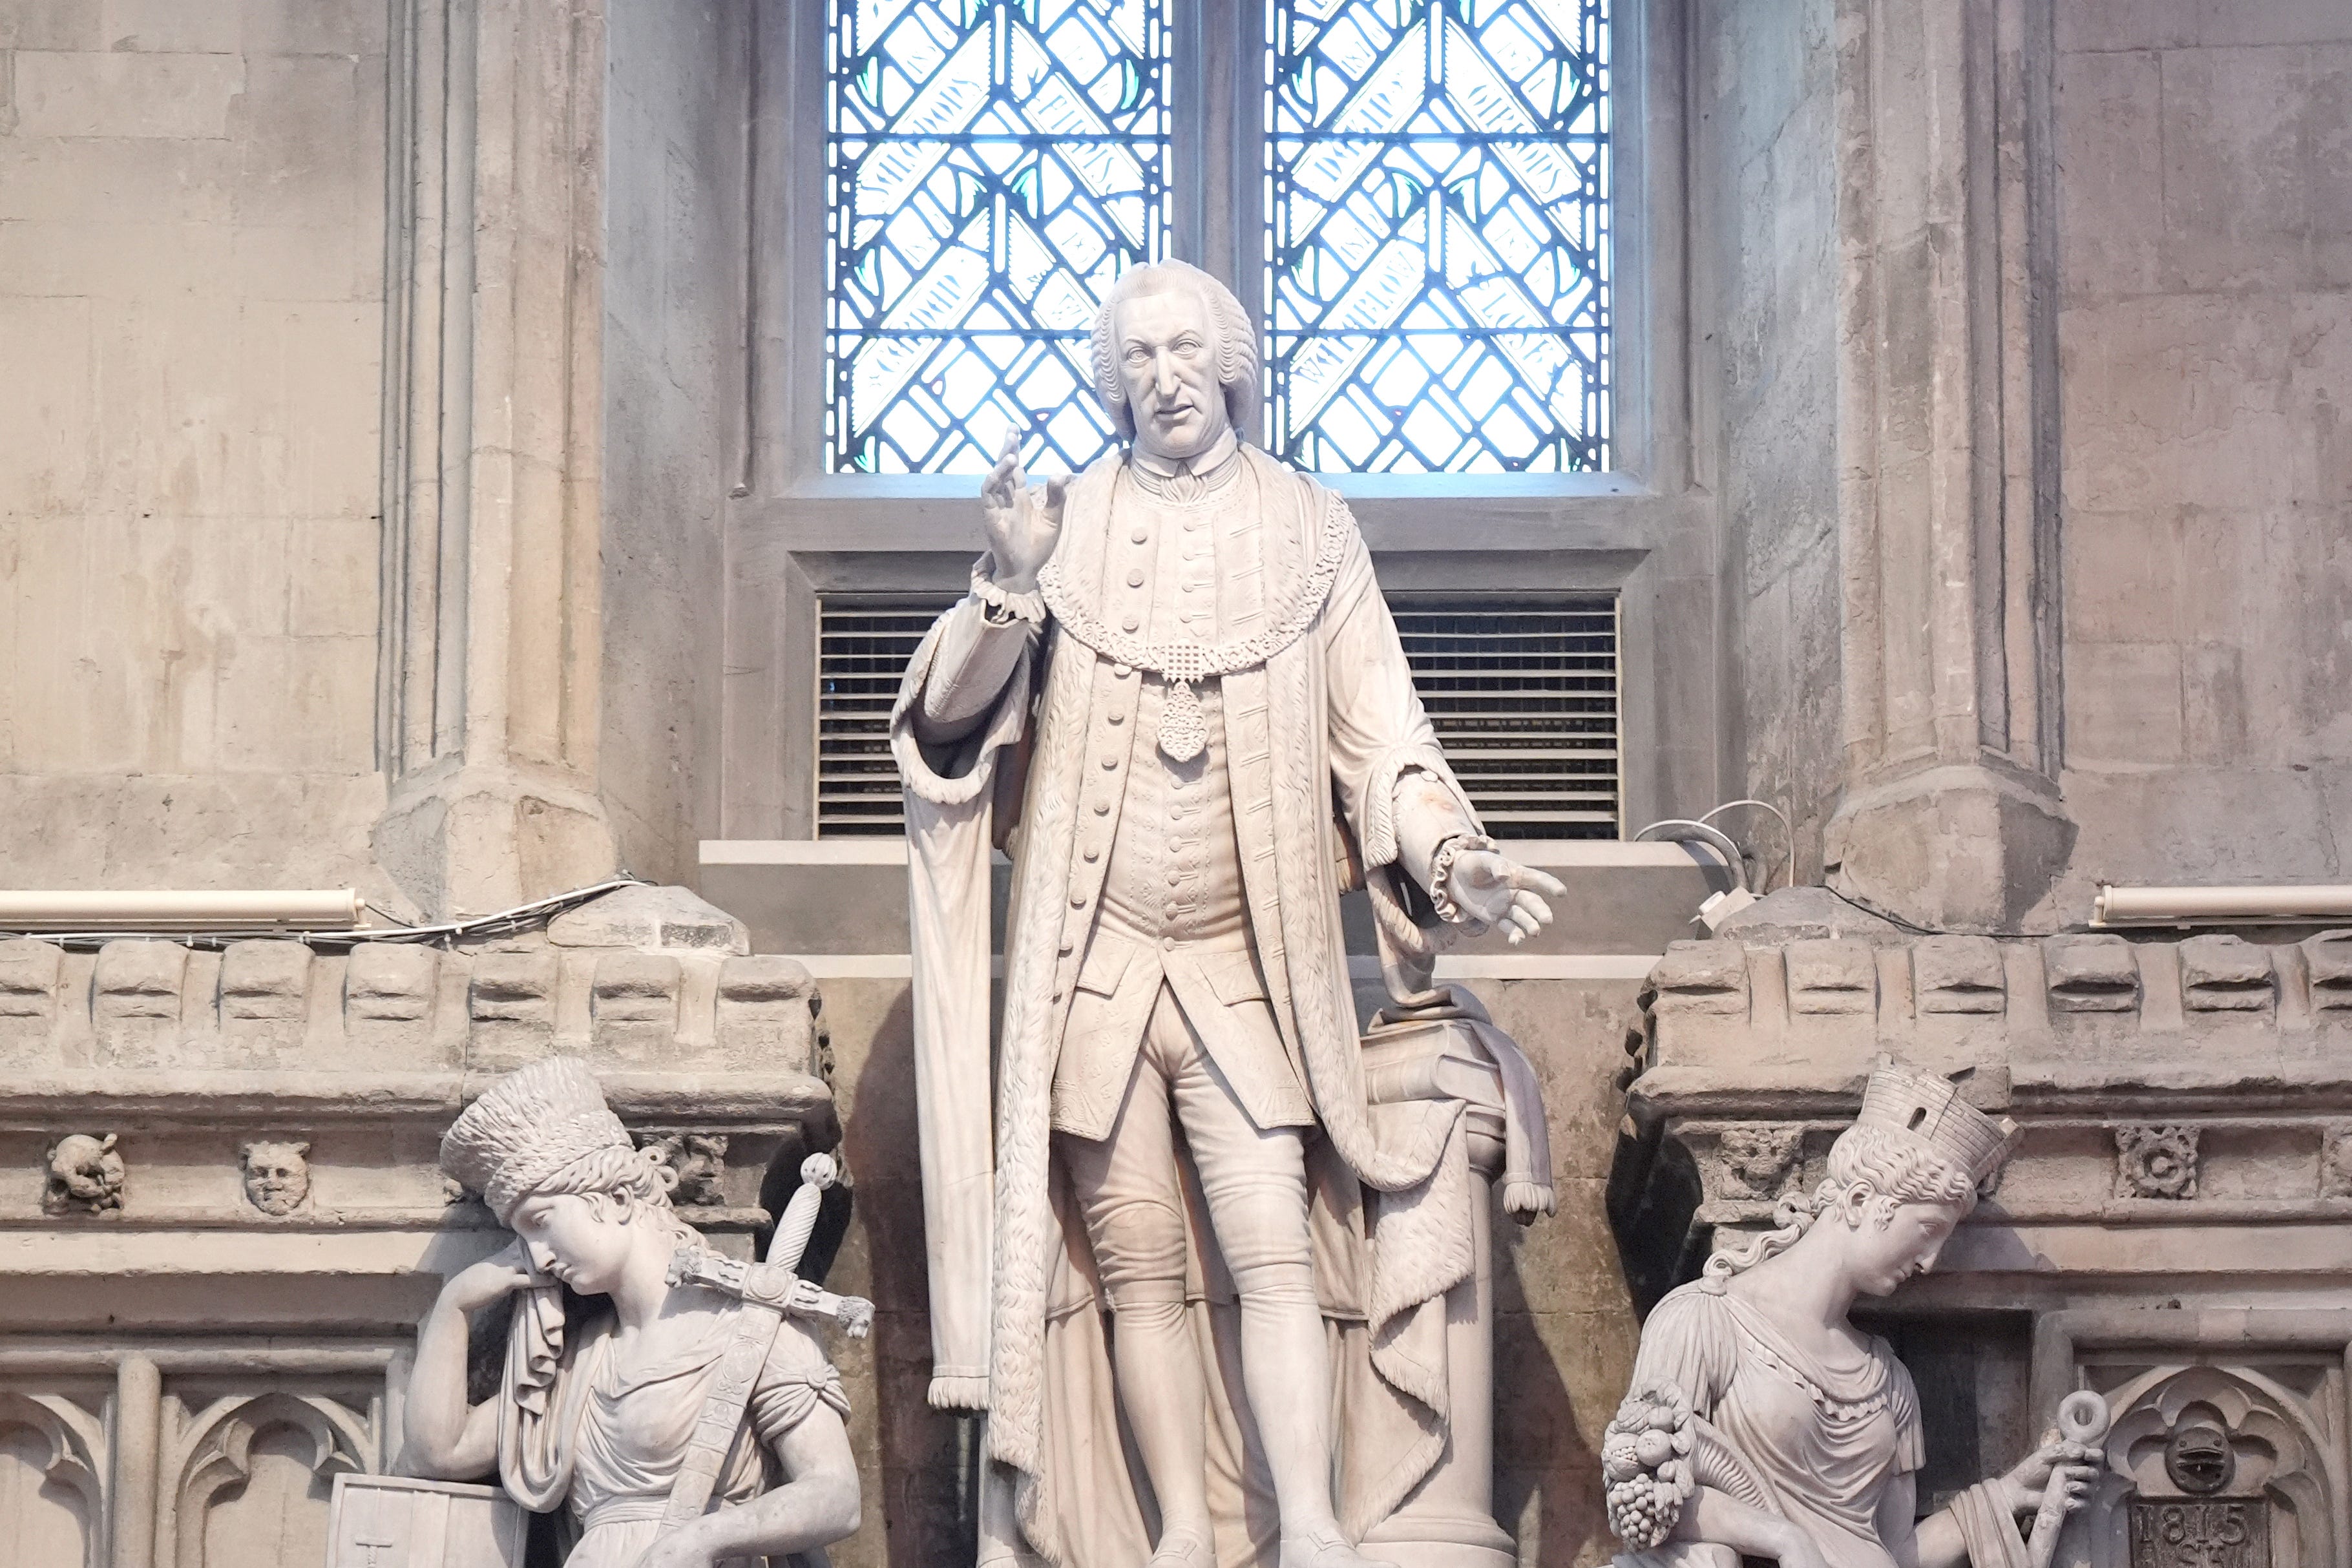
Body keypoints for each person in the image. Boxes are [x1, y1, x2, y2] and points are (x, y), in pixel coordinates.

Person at [894, 258, 1566, 1568]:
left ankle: (1306, 1520)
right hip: (1094, 965)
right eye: (1135, 356)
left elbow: (1381, 737)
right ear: (1113, 381)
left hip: (1242, 963)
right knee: (1135, 1257)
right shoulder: (1061, 521)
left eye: (1183, 349)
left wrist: (1450, 854)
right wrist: (1005, 584)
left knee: (1267, 1235)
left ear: (1232, 362)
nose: (1161, 376)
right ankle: (1181, 1533)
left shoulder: (1311, 527)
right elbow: (944, 730)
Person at [1605, 1059, 2100, 1568]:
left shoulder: (1888, 1379)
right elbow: (1643, 1494)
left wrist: (2006, 1495)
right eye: (1928, 1230)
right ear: (1863, 1199)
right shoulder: (1703, 1321)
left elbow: (1897, 1551)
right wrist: (1784, 1538)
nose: (1930, 1262)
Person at [402, 1056, 861, 1568]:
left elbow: (836, 1495)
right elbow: (439, 1454)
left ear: (617, 1197)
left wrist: (703, 1539)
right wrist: (455, 1306)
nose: (536, 1255)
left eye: (540, 1222)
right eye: (521, 1237)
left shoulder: (752, 1327)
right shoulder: (581, 1358)